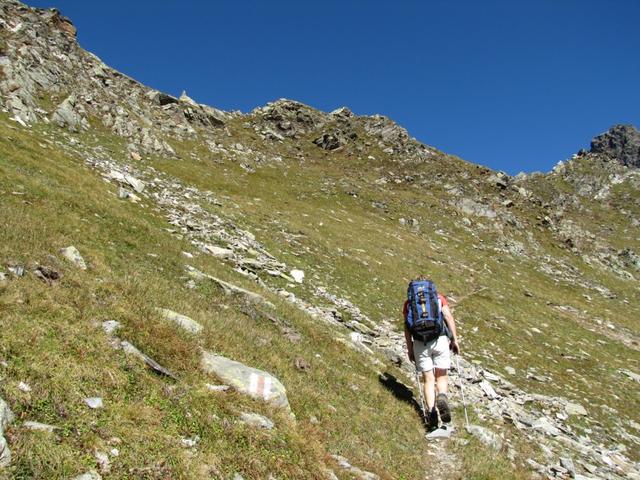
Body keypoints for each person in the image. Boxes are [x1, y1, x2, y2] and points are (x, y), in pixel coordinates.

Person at [403, 278, 460, 430]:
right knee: (441, 375)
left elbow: (407, 329)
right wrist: (454, 339)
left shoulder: (409, 303)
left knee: (428, 379)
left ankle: (431, 410)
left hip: (420, 343)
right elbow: (448, 317)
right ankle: (442, 395)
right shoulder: (438, 297)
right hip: (439, 339)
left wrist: (410, 350)